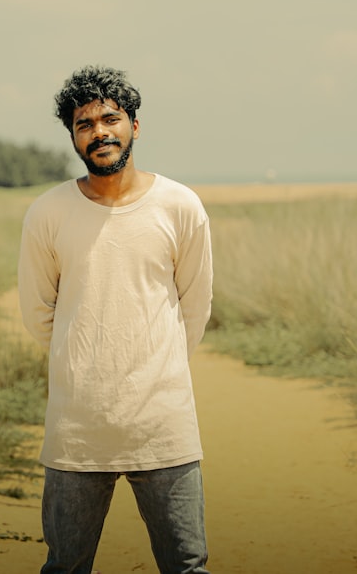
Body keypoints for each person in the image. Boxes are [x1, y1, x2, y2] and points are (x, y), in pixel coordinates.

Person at [18, 65, 214, 574]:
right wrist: (85, 363)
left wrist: (158, 367)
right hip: (77, 429)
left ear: (135, 126)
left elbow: (194, 306)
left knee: (187, 566)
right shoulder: (48, 212)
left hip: (164, 423)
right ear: (74, 138)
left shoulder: (180, 206)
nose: (99, 131)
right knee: (65, 567)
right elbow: (40, 313)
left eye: (111, 118)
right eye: (85, 124)